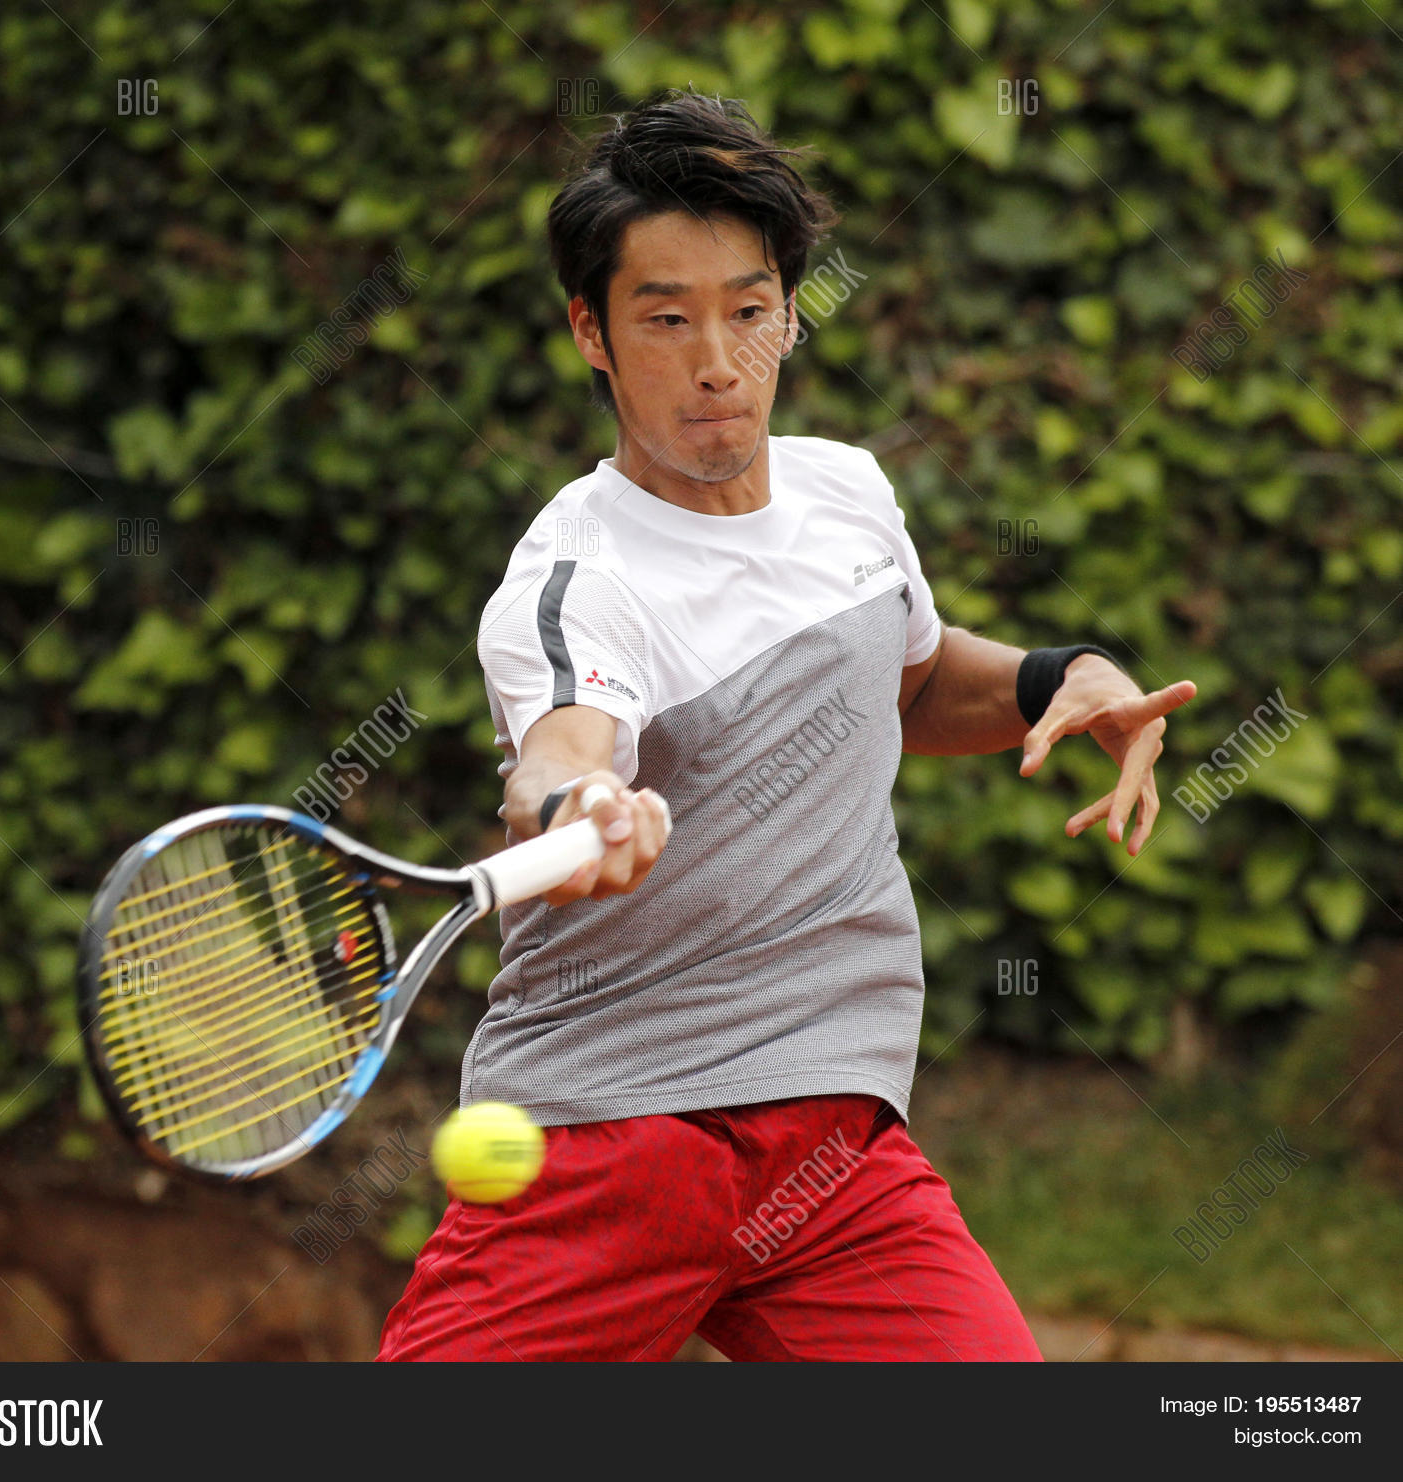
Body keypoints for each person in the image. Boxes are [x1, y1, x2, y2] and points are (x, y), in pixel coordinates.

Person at [377, 89, 1195, 1362]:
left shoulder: (848, 494)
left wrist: (1058, 677)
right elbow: (562, 749)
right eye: (666, 319)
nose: (717, 361)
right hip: (609, 1141)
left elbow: (914, 688)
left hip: (833, 1143)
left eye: (749, 311)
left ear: (791, 313)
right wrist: (576, 809)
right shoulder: (579, 579)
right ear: (590, 332)